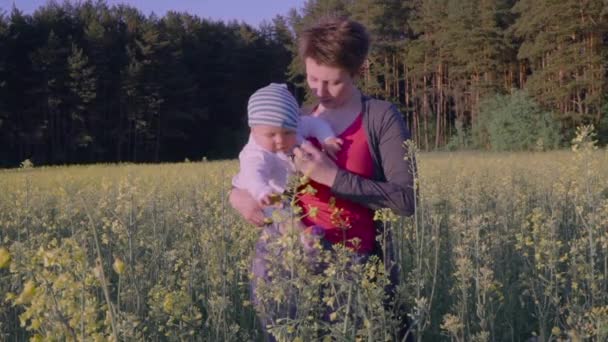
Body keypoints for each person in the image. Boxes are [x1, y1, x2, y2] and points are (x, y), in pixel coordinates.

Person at [229, 17, 416, 341]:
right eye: (313, 78)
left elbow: (405, 199)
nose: (320, 91)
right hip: (284, 254)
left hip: (352, 263)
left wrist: (331, 176)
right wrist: (235, 195)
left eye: (333, 82)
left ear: (358, 71)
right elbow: (253, 164)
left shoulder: (381, 117)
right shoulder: (294, 115)